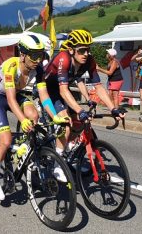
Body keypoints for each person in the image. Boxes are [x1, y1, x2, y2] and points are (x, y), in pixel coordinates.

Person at [0, 34, 69, 200]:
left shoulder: (37, 69)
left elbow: (44, 96)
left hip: (16, 93)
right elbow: (9, 99)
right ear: (22, 55)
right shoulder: (11, 66)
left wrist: (55, 117)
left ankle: (23, 149)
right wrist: (22, 120)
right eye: (34, 55)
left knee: (34, 114)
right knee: (6, 140)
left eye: (41, 55)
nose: (38, 60)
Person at [44, 29, 125, 163]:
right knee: (66, 124)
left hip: (62, 88)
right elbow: (63, 91)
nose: (86, 54)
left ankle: (66, 147)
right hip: (48, 89)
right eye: (82, 50)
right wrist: (80, 110)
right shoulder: (63, 59)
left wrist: (113, 109)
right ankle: (57, 162)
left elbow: (98, 87)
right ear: (71, 50)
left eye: (88, 49)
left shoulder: (89, 61)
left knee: (78, 123)